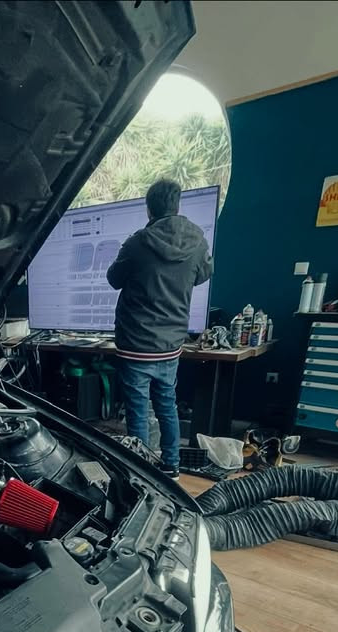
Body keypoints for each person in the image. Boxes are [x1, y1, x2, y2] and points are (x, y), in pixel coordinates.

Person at [106, 178, 213, 477]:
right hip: (170, 345)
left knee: (138, 409)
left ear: (149, 208)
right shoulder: (197, 242)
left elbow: (114, 279)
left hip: (135, 344)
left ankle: (141, 473)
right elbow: (203, 274)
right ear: (177, 205)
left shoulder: (138, 242)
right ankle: (172, 467)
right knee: (167, 405)